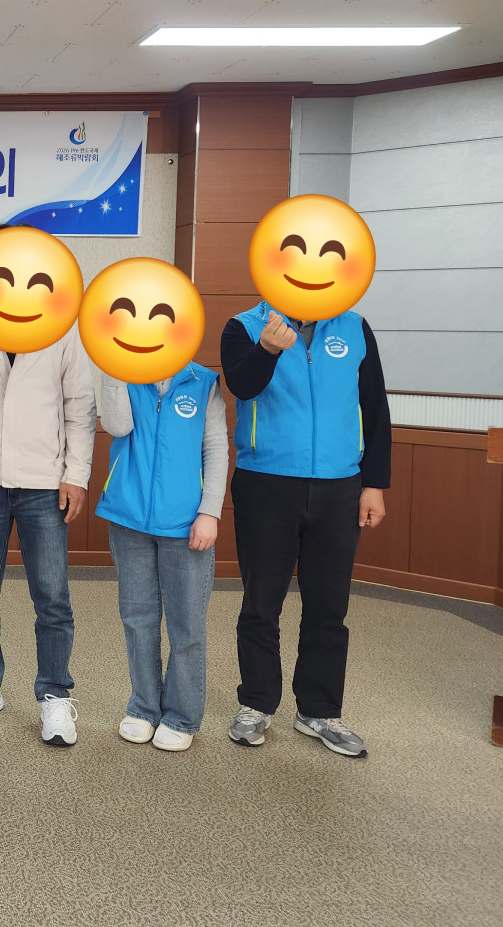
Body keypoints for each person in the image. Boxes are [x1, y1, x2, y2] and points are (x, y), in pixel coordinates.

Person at [220, 304, 391, 757]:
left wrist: (374, 485)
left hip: (340, 485)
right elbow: (241, 386)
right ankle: (256, 704)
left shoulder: (354, 326)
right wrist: (266, 350)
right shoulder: (245, 326)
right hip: (266, 483)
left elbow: (374, 405)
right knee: (261, 603)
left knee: (329, 607)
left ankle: (319, 710)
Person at [0, 315, 95, 745]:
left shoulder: (61, 327)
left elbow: (80, 404)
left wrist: (76, 475)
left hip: (43, 480)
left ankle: (54, 693)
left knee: (52, 596)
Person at [96, 366, 228, 751]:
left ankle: (181, 717)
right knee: (138, 619)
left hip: (186, 522)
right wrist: (112, 366)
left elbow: (215, 448)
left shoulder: (203, 382)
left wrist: (210, 511)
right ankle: (143, 708)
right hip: (129, 516)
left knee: (187, 624)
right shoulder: (126, 373)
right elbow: (117, 426)